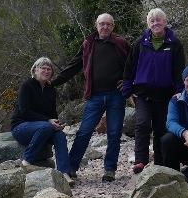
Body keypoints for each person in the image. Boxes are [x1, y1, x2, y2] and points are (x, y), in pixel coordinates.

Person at [51, 13, 129, 182]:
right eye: (102, 24)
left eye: (109, 24)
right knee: (84, 132)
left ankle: (110, 169)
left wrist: (129, 82)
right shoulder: (88, 43)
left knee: (114, 133)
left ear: (113, 27)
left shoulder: (121, 44)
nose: (105, 27)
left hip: (116, 95)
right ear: (96, 25)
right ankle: (71, 167)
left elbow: (133, 64)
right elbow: (74, 65)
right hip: (94, 96)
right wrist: (53, 82)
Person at [122, 8, 185, 174]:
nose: (156, 23)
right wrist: (127, 90)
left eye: (159, 20)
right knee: (142, 124)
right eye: (152, 21)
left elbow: (179, 70)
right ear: (148, 24)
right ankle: (140, 161)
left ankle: (159, 164)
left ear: (165, 22)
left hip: (166, 94)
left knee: (161, 129)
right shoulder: (140, 43)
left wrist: (180, 91)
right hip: (142, 93)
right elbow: (129, 68)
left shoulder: (175, 44)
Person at [10, 57, 72, 181]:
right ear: (35, 70)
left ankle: (64, 174)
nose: (46, 71)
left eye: (49, 69)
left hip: (43, 128)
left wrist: (56, 123)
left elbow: (52, 113)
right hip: (21, 127)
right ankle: (26, 161)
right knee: (46, 126)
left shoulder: (51, 90)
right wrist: (48, 121)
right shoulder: (27, 85)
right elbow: (25, 111)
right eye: (43, 68)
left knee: (59, 135)